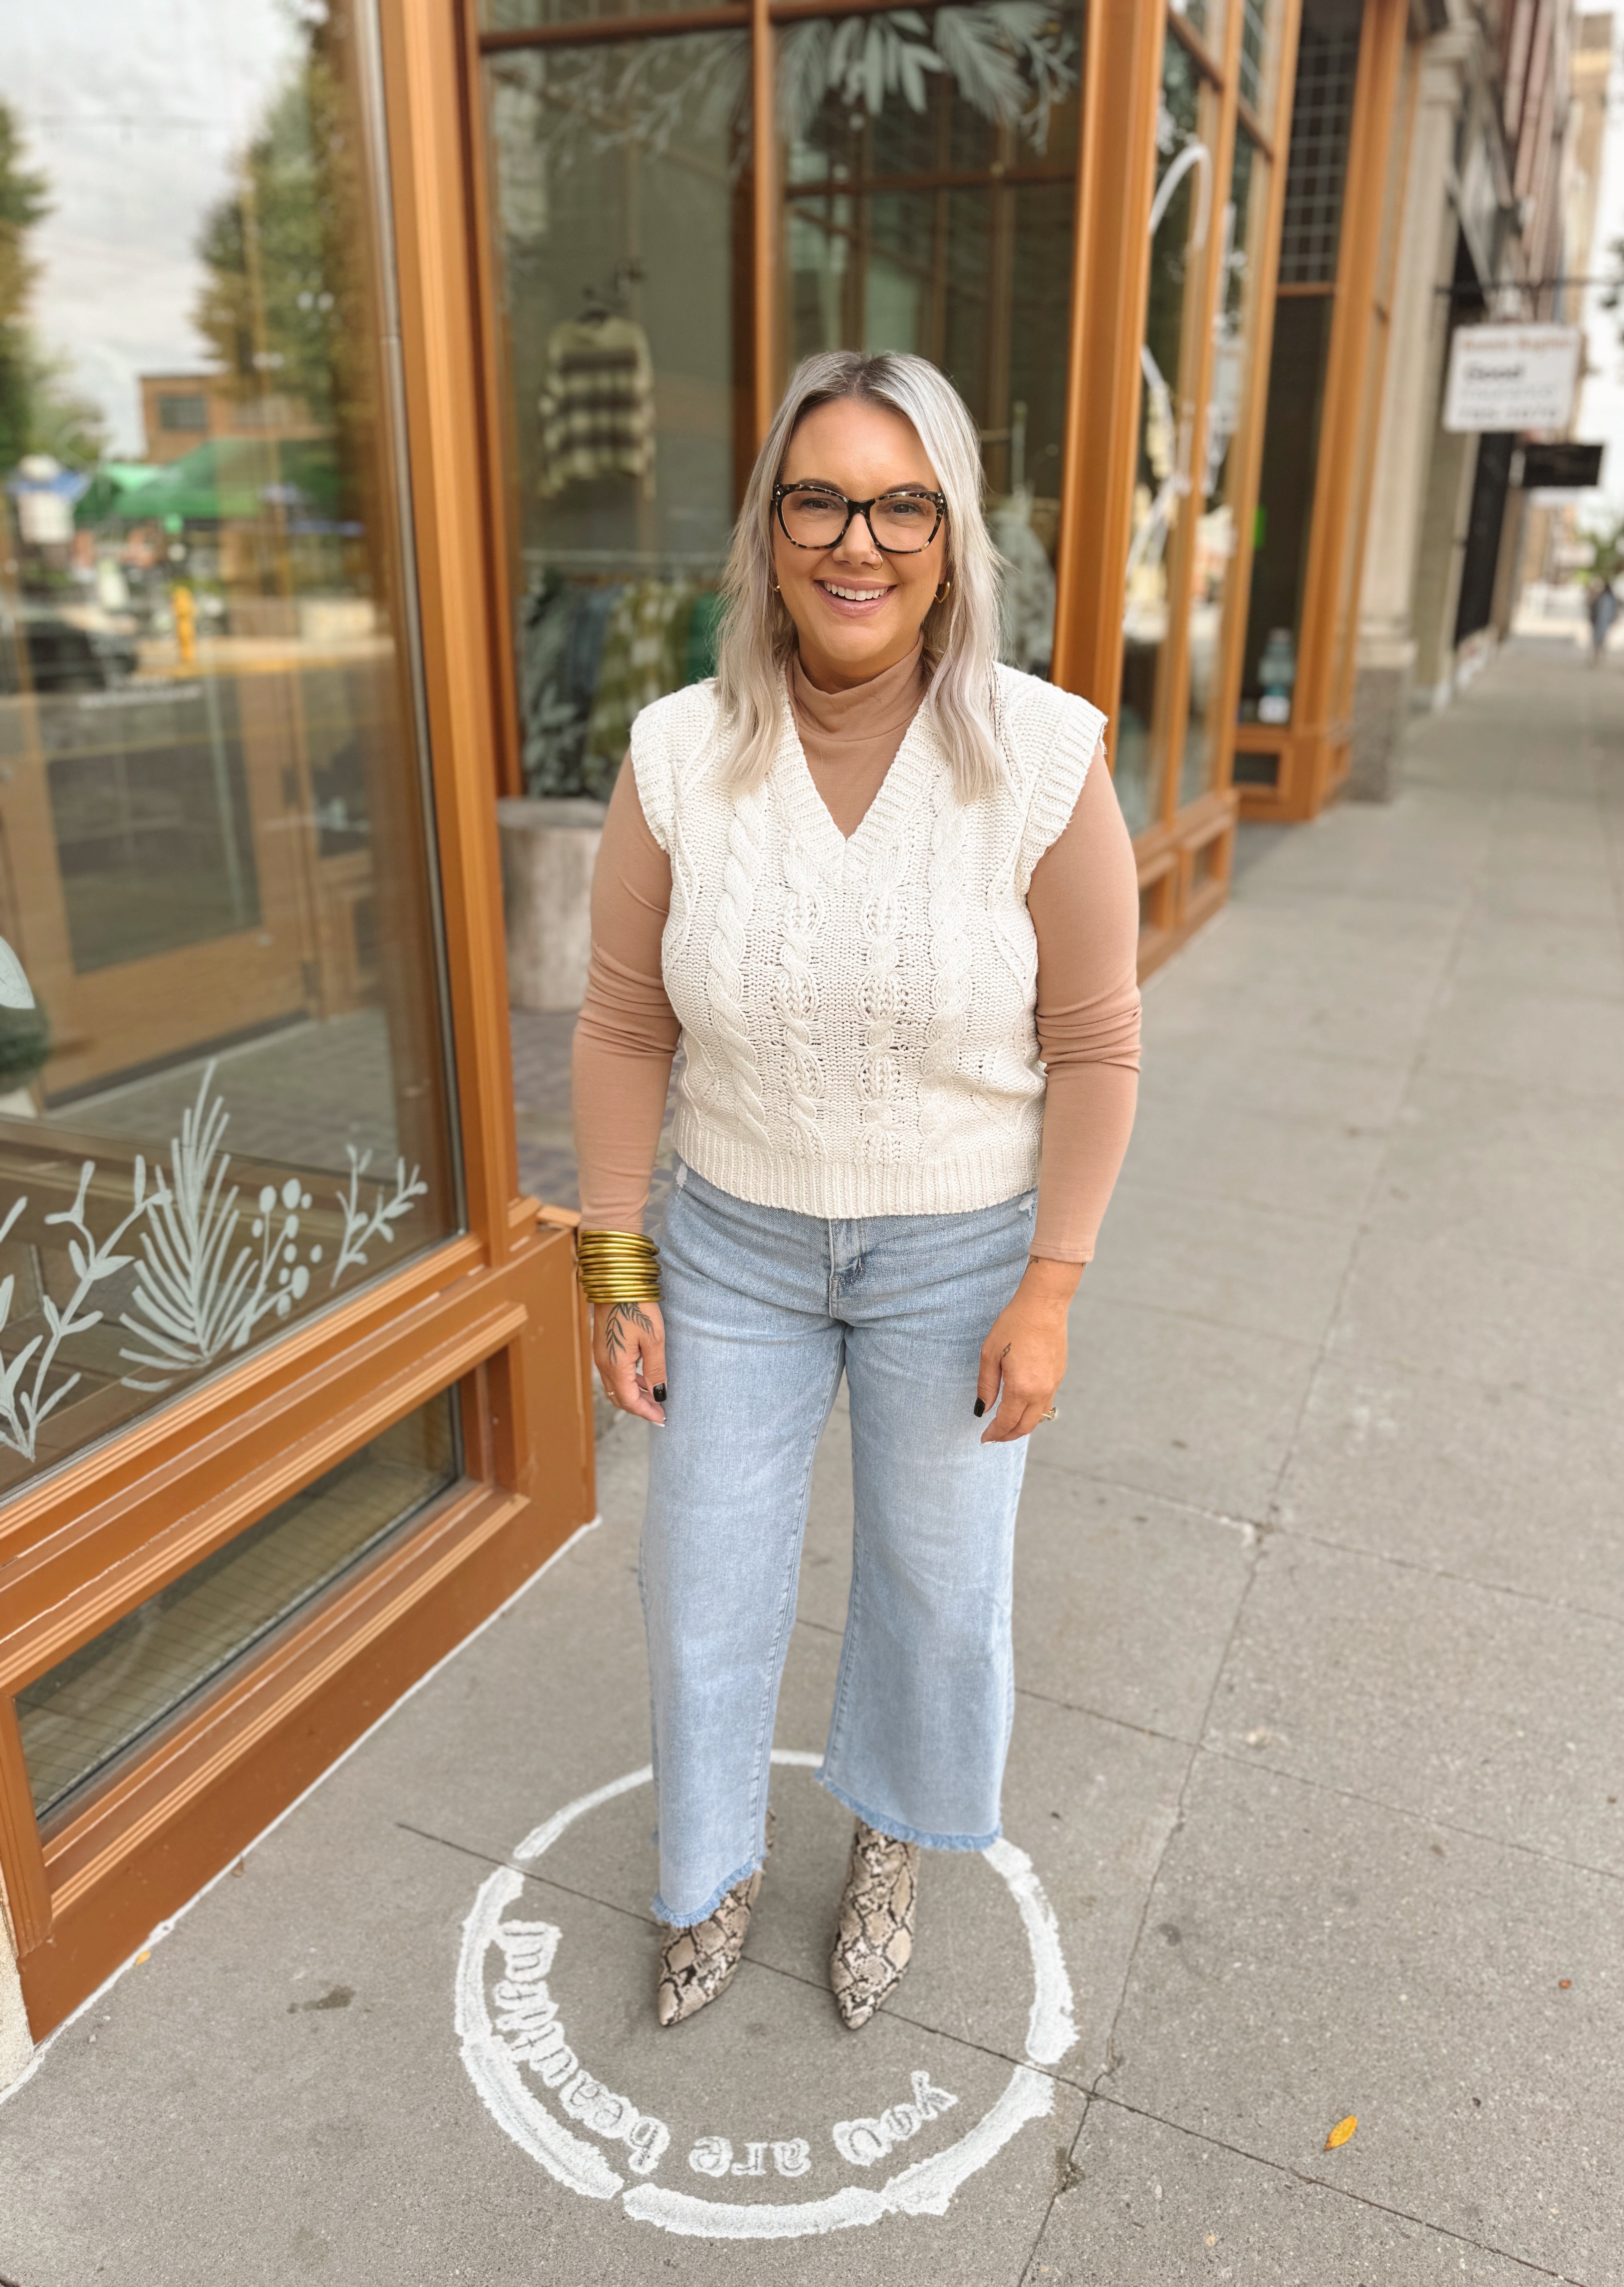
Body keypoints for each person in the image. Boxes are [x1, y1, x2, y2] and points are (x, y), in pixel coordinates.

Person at [570, 350, 1141, 2032]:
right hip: (731, 1243)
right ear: (769, 529)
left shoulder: (1036, 757)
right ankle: (712, 1873)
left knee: (936, 1590)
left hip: (955, 1253)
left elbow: (1096, 1041)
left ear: (952, 537)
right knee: (703, 1584)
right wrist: (615, 1262)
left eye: (904, 504)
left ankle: (886, 1846)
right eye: (819, 497)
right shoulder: (680, 755)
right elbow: (620, 1022)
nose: (858, 541)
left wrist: (1051, 1284)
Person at [1587, 575, 1618, 662]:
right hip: (1601, 621)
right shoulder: (1606, 598)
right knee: (1600, 639)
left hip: (1602, 621)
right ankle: (1597, 656)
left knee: (1600, 639)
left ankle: (1598, 656)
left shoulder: (1606, 598)